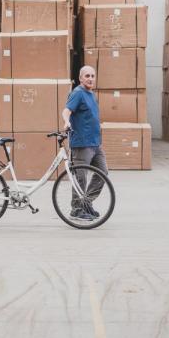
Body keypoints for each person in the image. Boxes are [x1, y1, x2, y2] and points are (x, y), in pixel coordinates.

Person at [61, 65, 108, 221]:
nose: (90, 78)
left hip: (95, 144)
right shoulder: (77, 93)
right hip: (82, 144)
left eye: (93, 76)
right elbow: (66, 111)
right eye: (87, 76)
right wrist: (66, 121)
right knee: (80, 178)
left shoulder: (91, 94)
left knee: (103, 173)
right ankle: (76, 209)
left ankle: (85, 203)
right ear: (80, 78)